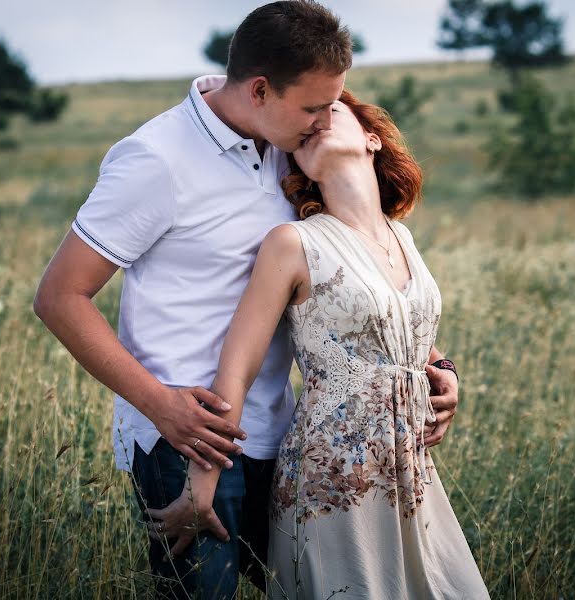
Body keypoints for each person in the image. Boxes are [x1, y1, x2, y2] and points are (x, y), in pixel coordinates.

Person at [34, 2, 461, 598]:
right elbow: (59, 297)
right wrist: (161, 406)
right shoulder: (156, 160)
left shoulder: (290, 145)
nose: (322, 121)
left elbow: (352, 281)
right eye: (314, 106)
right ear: (260, 89)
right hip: (183, 437)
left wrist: (435, 362)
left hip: (282, 435)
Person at [147, 89, 491, 599]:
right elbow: (236, 370)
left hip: (409, 472)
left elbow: (406, 338)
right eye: (304, 127)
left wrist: (448, 373)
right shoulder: (294, 242)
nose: (314, 124)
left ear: (372, 139)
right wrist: (202, 489)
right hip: (330, 478)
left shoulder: (403, 238)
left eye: (329, 112)